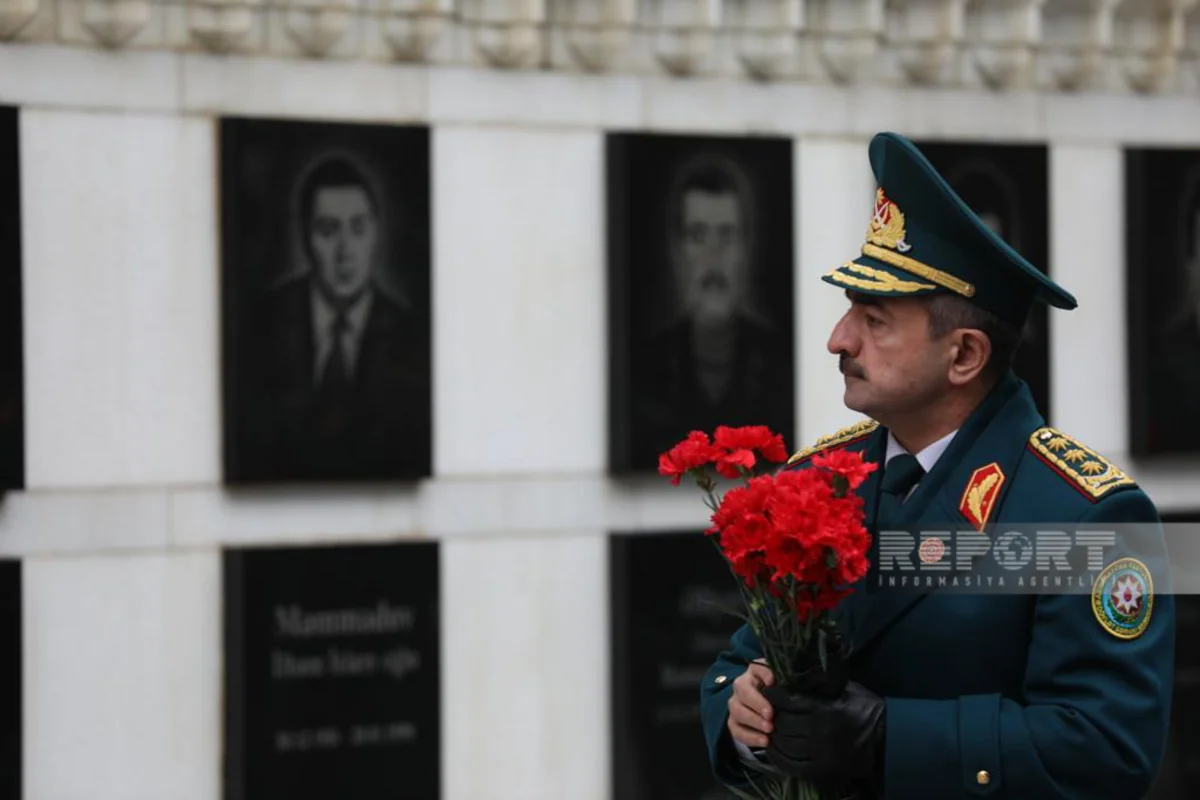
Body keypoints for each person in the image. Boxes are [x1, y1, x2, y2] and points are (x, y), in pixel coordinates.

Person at [699, 132, 1175, 799]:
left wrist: (891, 737)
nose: (838, 339)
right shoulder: (821, 477)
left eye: (875, 319)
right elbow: (736, 665)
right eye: (849, 311)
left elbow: (1105, 747)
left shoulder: (1084, 515)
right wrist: (744, 715)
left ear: (964, 356)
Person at [234, 153, 430, 482]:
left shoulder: (412, 336)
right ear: (305, 238)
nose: (345, 251)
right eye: (328, 230)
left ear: (377, 234)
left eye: (358, 228)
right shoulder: (261, 327)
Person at [631, 155, 792, 468]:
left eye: (726, 235)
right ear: (676, 250)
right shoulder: (645, 368)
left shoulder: (781, 366)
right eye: (697, 235)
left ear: (747, 248)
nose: (713, 254)